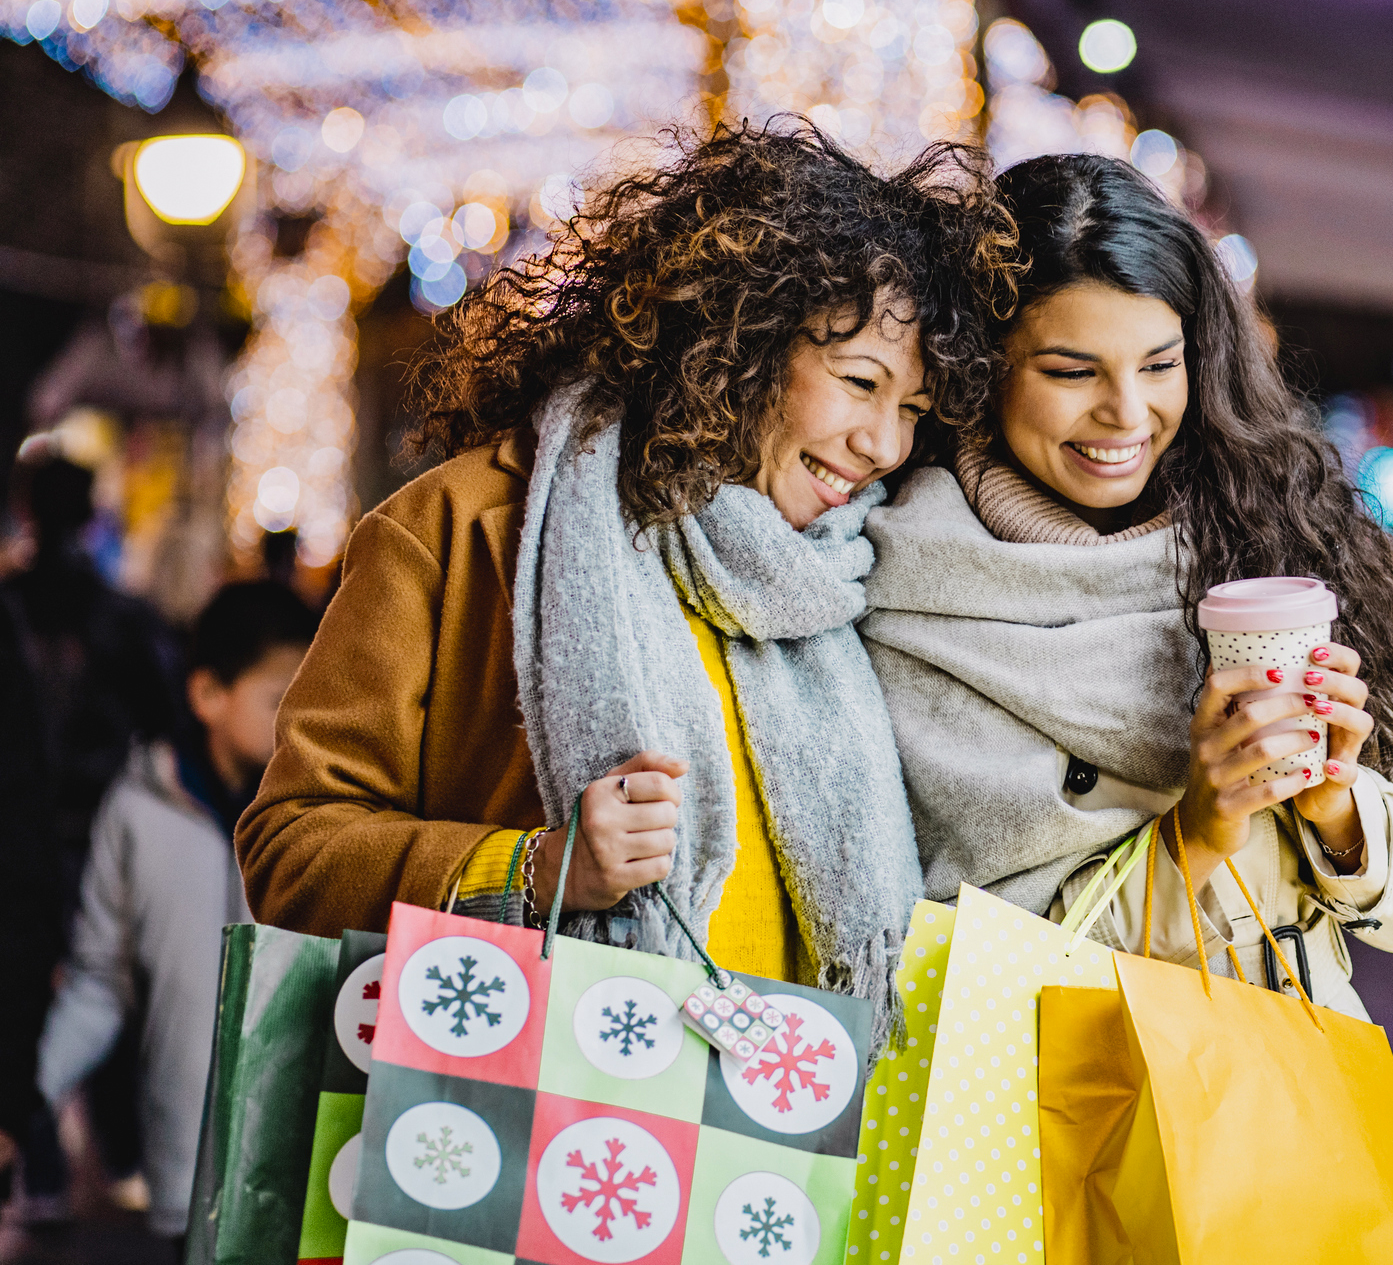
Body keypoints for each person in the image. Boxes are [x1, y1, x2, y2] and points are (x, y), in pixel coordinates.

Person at [235, 123, 1016, 1016]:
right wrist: (534, 870)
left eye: (914, 408)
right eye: (860, 382)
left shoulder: (861, 575)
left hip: (788, 1132)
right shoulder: (465, 528)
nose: (883, 444)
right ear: (744, 338)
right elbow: (290, 850)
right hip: (543, 1111)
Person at [861, 154, 1393, 1018]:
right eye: (1071, 372)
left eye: (1158, 365)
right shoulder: (907, 589)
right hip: (1078, 1120)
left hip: (1297, 1101)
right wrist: (1194, 838)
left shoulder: (1268, 537)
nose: (1126, 413)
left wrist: (1339, 809)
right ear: (980, 366)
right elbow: (963, 969)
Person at [35, 581, 316, 1255]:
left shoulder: (323, 822)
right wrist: (26, 1092)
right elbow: (101, 982)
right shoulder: (137, 811)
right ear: (207, 696)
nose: (300, 719)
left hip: (310, 1169)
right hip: (183, 1176)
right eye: (279, 698)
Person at [0, 453, 182, 1216]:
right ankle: (119, 1154)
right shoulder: (118, 613)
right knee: (110, 982)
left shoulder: (16, 604)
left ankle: (40, 1159)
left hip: (30, 835)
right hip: (101, 829)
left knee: (37, 989)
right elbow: (162, 713)